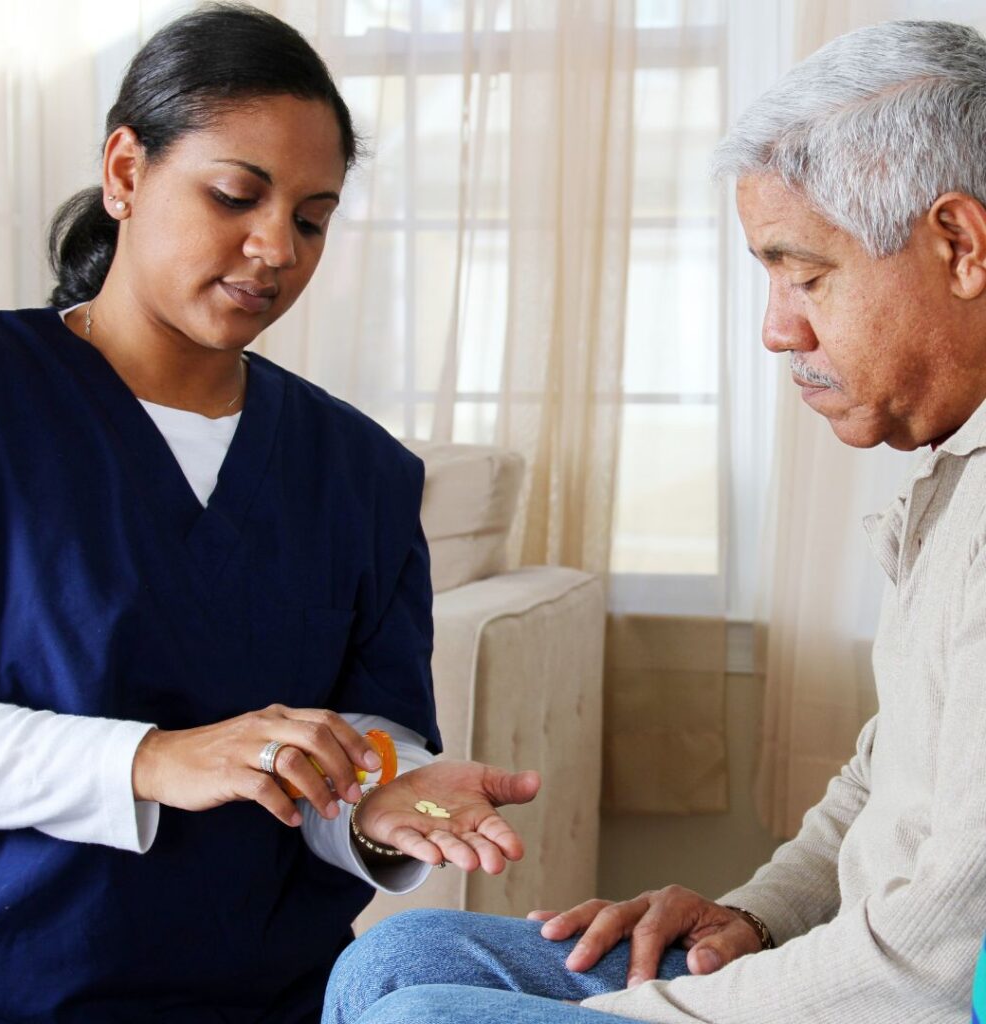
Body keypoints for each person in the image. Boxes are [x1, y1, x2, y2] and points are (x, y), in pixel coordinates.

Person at [322, 17, 986, 1024]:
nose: (776, 328)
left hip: (907, 999)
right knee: (402, 956)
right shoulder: (951, 476)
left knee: (422, 1019)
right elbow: (888, 772)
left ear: (958, 244)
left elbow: (931, 966)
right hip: (859, 970)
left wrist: (622, 1018)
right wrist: (751, 920)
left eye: (805, 274)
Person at [0, 4, 541, 1021]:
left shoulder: (361, 472)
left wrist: (376, 795)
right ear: (126, 173)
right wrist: (153, 758)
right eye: (237, 195)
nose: (276, 247)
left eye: (312, 218)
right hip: (7, 983)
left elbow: (364, 736)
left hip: (272, 994)